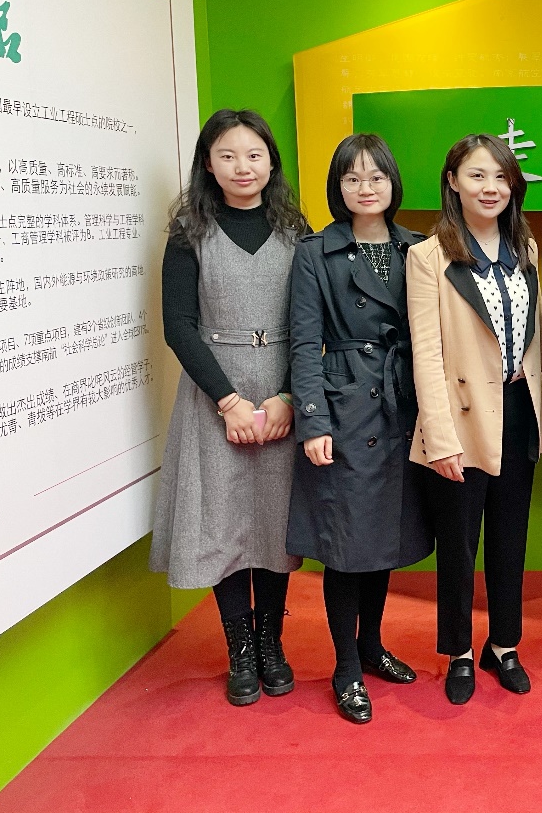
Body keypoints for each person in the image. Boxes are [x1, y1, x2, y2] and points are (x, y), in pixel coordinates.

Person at [151, 108, 309, 707]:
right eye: (228, 155)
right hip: (214, 396)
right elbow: (179, 325)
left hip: (282, 394)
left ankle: (272, 644)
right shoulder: (189, 231)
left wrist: (288, 396)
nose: (243, 167)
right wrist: (229, 402)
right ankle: (240, 650)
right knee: (222, 525)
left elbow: (312, 320)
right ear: (208, 164)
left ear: (271, 162)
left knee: (273, 525)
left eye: (254, 155)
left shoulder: (296, 229)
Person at [287, 133, 433, 724]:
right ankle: (345, 666)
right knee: (347, 543)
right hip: (346, 407)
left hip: (404, 405)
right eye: (352, 178)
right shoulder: (315, 252)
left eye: (376, 176)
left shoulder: (416, 248)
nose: (365, 187)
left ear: (393, 182)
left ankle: (372, 646)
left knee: (384, 535)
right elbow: (303, 343)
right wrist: (312, 420)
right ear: (337, 187)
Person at [408, 134, 542, 705]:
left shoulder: (527, 248)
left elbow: (539, 341)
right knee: (459, 544)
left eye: (500, 177)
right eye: (476, 175)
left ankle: (504, 645)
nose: (490, 188)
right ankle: (460, 653)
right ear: (453, 182)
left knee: (510, 540)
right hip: (460, 417)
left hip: (519, 409)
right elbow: (426, 353)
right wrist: (439, 436)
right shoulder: (429, 256)